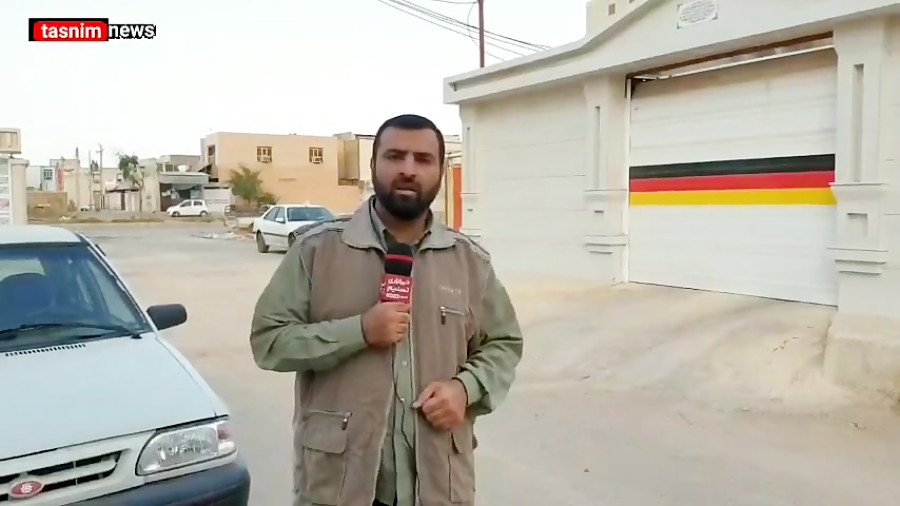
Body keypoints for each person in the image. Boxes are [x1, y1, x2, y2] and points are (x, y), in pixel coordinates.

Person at [249, 114, 523, 506]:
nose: (408, 169)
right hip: (339, 487)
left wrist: (466, 389)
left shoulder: (469, 262)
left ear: (440, 171)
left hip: (438, 486)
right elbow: (269, 341)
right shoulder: (317, 251)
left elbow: (504, 343)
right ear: (373, 164)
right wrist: (359, 331)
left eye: (423, 159)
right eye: (395, 156)